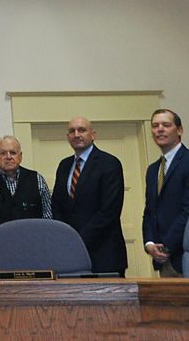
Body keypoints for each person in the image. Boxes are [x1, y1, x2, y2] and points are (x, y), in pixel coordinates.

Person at [143, 109, 189, 277]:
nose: (160, 129)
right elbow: (149, 212)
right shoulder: (153, 170)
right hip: (162, 260)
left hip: (186, 257)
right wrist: (150, 243)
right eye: (155, 126)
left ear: (179, 130)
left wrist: (166, 245)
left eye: (166, 125)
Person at [52, 117, 128, 276]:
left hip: (104, 253)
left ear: (93, 135)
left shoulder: (109, 163)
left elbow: (109, 211)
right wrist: (65, 238)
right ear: (67, 137)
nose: (76, 134)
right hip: (70, 256)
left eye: (82, 130)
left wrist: (78, 240)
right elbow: (57, 206)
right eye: (72, 131)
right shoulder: (64, 166)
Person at [0, 135, 53, 232]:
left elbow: (48, 216)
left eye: (13, 153)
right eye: (3, 153)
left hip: (32, 242)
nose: (8, 157)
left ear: (20, 156)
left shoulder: (37, 179)